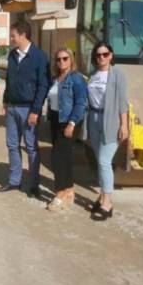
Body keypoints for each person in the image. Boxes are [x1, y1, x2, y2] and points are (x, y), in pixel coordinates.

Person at [0, 20, 50, 197]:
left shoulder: (39, 57)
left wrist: (36, 110)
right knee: (12, 145)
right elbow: (9, 80)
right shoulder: (12, 55)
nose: (11, 39)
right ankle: (15, 181)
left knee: (31, 147)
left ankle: (34, 184)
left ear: (23, 35)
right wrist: (5, 100)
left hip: (29, 109)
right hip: (12, 108)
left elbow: (43, 85)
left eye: (13, 36)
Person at [84, 41, 129, 220]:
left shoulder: (118, 75)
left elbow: (122, 101)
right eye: (98, 55)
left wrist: (124, 125)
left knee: (104, 161)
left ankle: (107, 204)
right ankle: (102, 196)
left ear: (111, 55)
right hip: (94, 119)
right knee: (100, 161)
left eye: (105, 54)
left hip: (110, 120)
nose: (101, 58)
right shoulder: (93, 75)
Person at [46, 48, 87, 212]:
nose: (61, 62)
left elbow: (81, 103)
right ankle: (69, 190)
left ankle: (60, 192)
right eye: (58, 59)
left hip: (69, 120)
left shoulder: (77, 79)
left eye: (65, 58)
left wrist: (72, 123)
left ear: (71, 60)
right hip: (55, 119)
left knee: (57, 156)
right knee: (65, 156)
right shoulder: (56, 79)